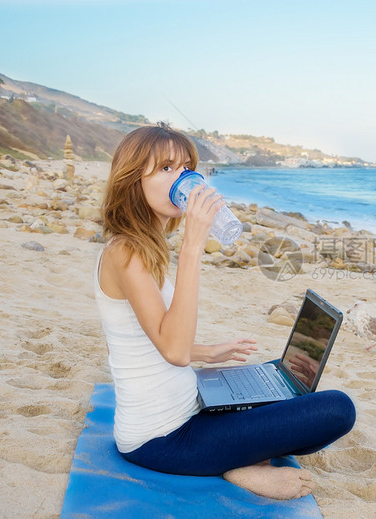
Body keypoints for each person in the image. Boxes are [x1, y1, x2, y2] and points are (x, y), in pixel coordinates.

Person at [94, 124, 356, 500]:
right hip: (163, 439)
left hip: (188, 407)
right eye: (166, 168)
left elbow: (145, 337)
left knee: (285, 386)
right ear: (133, 180)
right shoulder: (125, 252)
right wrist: (193, 245)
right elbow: (173, 351)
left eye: (186, 168)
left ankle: (239, 450)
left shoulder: (139, 245)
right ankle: (235, 466)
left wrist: (206, 353)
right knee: (337, 410)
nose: (182, 178)